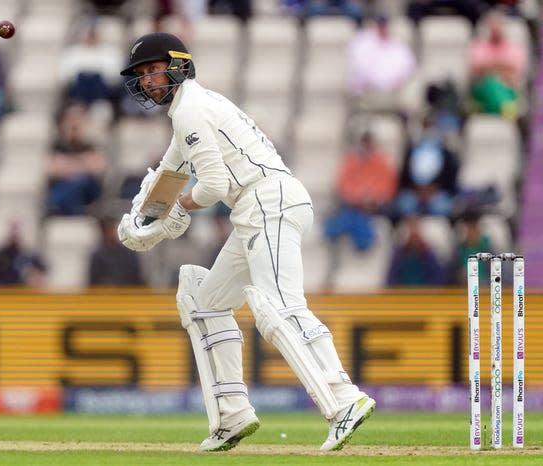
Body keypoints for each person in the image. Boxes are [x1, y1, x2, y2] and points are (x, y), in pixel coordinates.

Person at [116, 32, 375, 452]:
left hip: (267, 203)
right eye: (142, 75)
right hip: (256, 210)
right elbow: (170, 174)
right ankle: (232, 415)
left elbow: (213, 185)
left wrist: (178, 207)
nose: (147, 80)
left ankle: (344, 399)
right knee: (205, 303)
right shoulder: (189, 112)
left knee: (281, 307)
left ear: (177, 65)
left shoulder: (192, 111)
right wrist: (143, 219)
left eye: (153, 69)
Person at [324, 130, 398, 251]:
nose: (366, 147)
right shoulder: (351, 161)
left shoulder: (382, 162)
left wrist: (374, 198)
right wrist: (359, 199)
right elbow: (344, 186)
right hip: (355, 205)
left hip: (377, 206)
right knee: (347, 214)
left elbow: (388, 186)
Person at [46, 103, 108, 216]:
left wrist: (68, 164)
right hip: (64, 188)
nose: (74, 123)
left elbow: (98, 168)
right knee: (63, 191)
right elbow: (54, 170)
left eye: (78, 118)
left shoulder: (90, 144)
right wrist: (83, 163)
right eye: (70, 119)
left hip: (87, 190)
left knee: (79, 185)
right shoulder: (58, 145)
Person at [467, 8, 528, 119]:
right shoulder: (478, 46)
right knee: (491, 84)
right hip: (482, 91)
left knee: (495, 84)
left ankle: (495, 107)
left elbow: (515, 72)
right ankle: (503, 108)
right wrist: (501, 65)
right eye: (492, 26)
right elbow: (475, 70)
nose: (495, 29)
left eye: (498, 25)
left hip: (507, 89)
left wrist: (490, 67)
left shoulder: (514, 48)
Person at [387, 215, 448, 286]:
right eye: (410, 229)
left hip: (426, 294)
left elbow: (438, 278)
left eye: (416, 229)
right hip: (402, 294)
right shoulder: (399, 254)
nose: (413, 233)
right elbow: (392, 279)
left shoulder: (428, 253)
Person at [0, 223, 47, 287]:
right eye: (12, 234)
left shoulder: (29, 258)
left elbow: (42, 271)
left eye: (17, 234)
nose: (14, 237)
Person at [88, 216, 145, 285]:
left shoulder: (129, 253)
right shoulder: (98, 255)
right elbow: (93, 280)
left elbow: (137, 277)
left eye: (113, 229)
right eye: (108, 230)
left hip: (128, 292)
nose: (111, 233)